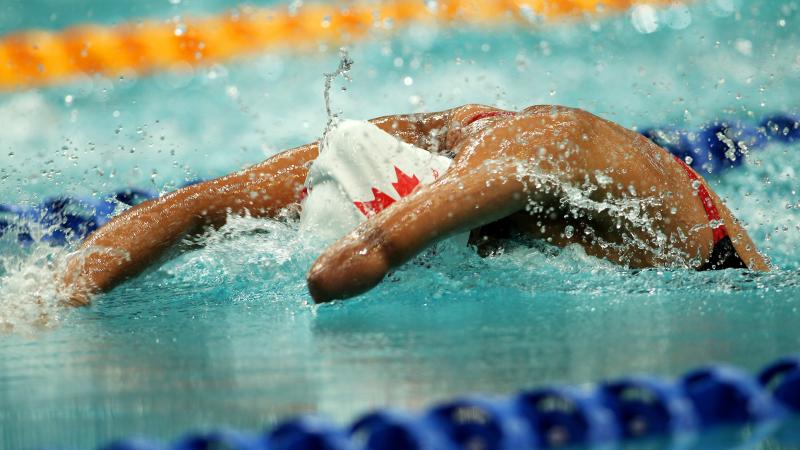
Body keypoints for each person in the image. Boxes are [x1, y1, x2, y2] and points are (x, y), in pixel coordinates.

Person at [60, 104, 769, 306]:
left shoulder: (530, 153)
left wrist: (331, 268)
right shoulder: (426, 134)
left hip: (723, 281)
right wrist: (53, 296)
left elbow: (362, 258)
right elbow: (202, 204)